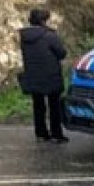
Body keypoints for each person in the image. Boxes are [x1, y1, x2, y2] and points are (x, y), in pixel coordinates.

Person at [18, 8, 69, 143]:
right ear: (44, 20)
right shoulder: (49, 35)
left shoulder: (24, 37)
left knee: (38, 106)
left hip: (33, 74)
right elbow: (61, 53)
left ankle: (41, 133)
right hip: (50, 75)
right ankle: (56, 134)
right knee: (54, 106)